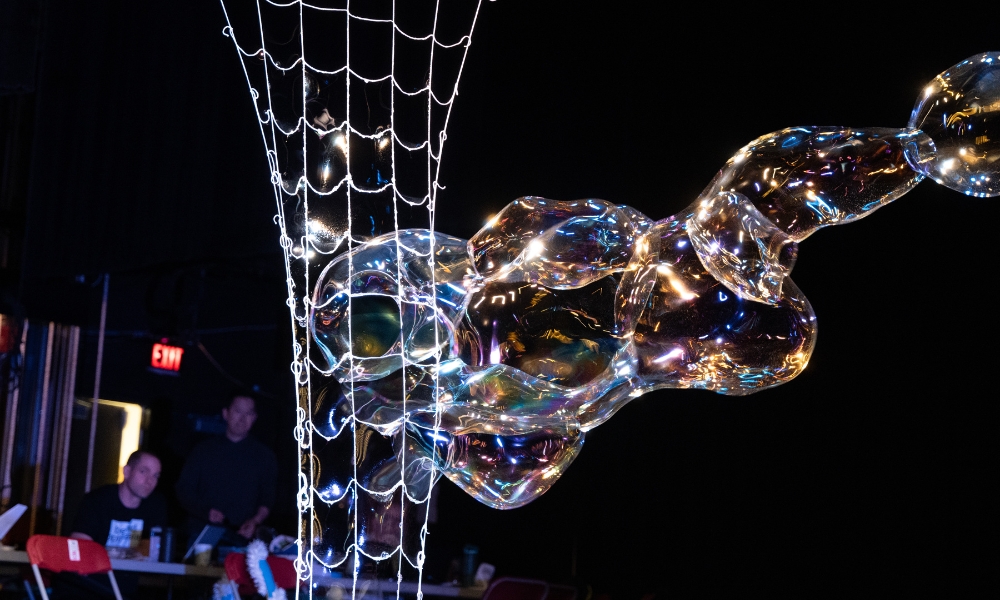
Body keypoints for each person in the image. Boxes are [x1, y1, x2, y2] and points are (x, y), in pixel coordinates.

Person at [175, 392, 277, 548]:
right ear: (225, 413)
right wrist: (206, 511)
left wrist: (255, 521)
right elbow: (184, 490)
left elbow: (267, 498)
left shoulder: (264, 456)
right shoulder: (203, 450)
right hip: (202, 535)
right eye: (237, 411)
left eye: (248, 413)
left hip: (243, 538)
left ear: (254, 418)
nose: (242, 419)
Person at [65, 450, 166, 598]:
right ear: (127, 471)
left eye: (156, 476)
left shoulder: (155, 506)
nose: (150, 481)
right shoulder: (97, 501)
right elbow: (79, 548)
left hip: (126, 590)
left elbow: (152, 550)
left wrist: (107, 552)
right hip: (89, 588)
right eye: (144, 472)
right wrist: (131, 553)